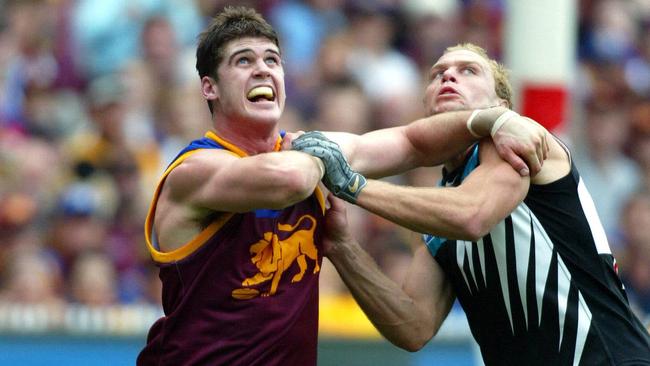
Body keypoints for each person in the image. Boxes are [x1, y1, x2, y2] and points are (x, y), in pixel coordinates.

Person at [137, 7, 548, 365]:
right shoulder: (194, 170)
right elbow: (292, 179)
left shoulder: (305, 150)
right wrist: (333, 163)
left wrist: (494, 119)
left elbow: (410, 142)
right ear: (210, 87)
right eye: (243, 61)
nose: (262, 69)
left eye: (272, 60)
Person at [293, 43, 650, 365]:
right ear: (425, 107)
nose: (448, 74)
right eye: (437, 74)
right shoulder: (443, 199)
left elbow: (471, 215)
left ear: (501, 107)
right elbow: (413, 326)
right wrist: (342, 248)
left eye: (468, 70)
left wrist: (353, 186)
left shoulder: (515, 141)